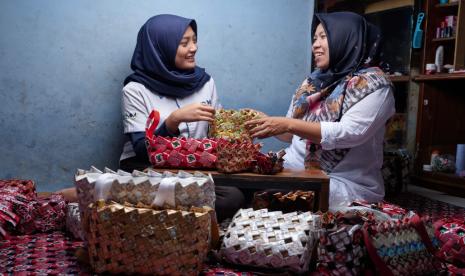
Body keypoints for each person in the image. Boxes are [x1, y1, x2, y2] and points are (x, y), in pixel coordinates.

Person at [245, 12, 395, 207]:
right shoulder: (314, 82)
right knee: (242, 186)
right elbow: (292, 136)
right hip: (294, 170)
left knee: (274, 199)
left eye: (324, 37)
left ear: (346, 38)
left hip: (344, 182)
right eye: (314, 38)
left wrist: (287, 124)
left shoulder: (375, 85)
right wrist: (266, 123)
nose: (315, 45)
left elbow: (349, 133)